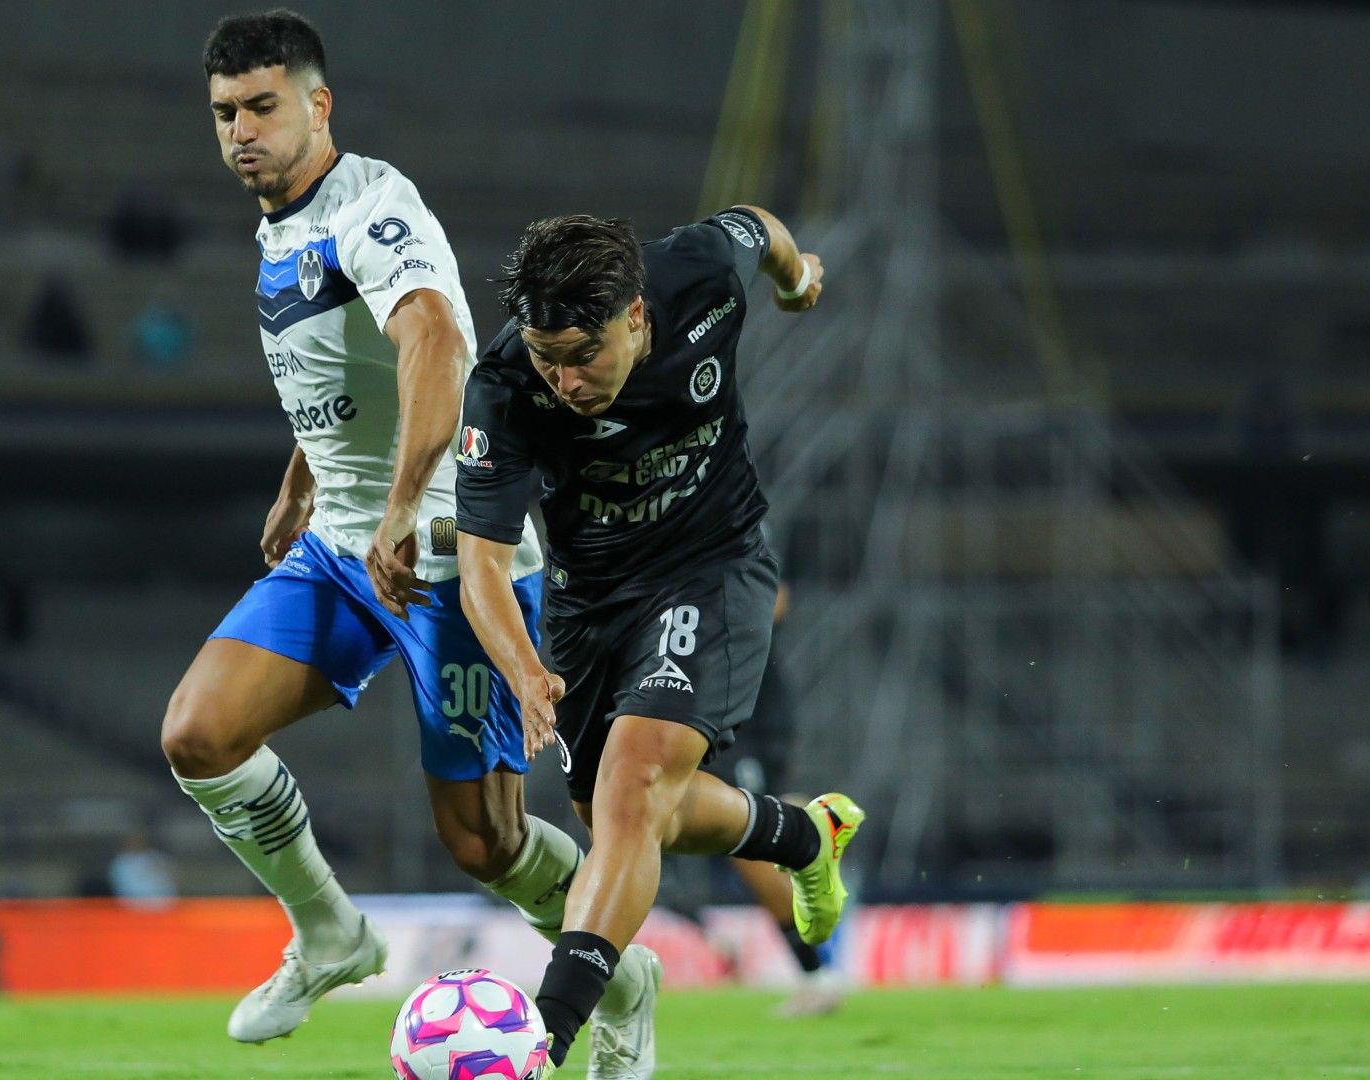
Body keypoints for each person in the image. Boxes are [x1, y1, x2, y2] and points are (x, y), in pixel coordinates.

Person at [157, 12, 660, 1068]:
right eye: (224, 115)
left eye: (262, 107)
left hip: (444, 554)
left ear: (317, 104)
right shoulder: (280, 225)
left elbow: (432, 341)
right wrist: (304, 476)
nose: (241, 131)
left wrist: (401, 502)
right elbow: (343, 375)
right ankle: (333, 934)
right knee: (199, 735)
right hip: (344, 547)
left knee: (486, 843)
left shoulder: (374, 208)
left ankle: (622, 973)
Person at [455, 209, 865, 1072]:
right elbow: (483, 565)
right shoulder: (501, 387)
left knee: (634, 788)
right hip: (586, 609)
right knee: (637, 819)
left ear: (636, 316)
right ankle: (798, 836)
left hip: (709, 567)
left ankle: (542, 1042)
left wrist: (796, 279)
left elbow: (760, 227)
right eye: (545, 355)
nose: (562, 379)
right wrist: (527, 671)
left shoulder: (698, 272)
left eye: (581, 354)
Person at [711, 583, 852, 1017]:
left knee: (746, 843)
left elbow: (776, 598)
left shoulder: (728, 520)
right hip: (707, 711)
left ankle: (817, 975)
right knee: (730, 835)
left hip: (747, 717)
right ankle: (809, 840)